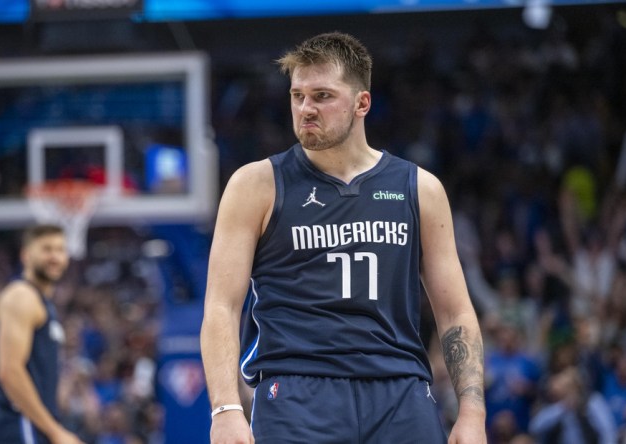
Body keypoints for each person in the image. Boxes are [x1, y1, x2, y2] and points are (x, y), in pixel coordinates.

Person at [200, 32, 486, 443]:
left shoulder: (419, 189)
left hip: (401, 391)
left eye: (321, 96)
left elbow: (456, 313)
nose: (305, 109)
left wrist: (472, 412)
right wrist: (225, 409)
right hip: (297, 392)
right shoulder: (256, 185)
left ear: (361, 103)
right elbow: (221, 307)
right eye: (297, 96)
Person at [0, 224, 83, 444]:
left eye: (60, 250)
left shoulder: (41, 301)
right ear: (26, 254)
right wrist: (55, 431)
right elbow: (10, 372)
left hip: (31, 425)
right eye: (47, 249)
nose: (55, 257)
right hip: (20, 422)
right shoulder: (22, 296)